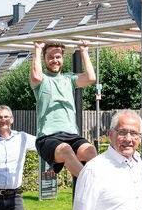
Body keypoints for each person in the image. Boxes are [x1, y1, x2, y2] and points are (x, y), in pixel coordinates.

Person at [31, 40, 97, 177]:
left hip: (71, 134)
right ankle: (91, 184)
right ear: (44, 59)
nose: (54, 60)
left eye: (58, 57)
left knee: (91, 151)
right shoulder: (42, 80)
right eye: (50, 57)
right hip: (47, 137)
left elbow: (91, 78)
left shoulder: (69, 79)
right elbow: (36, 76)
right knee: (66, 150)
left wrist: (84, 51)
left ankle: (92, 187)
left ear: (62, 58)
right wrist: (37, 49)